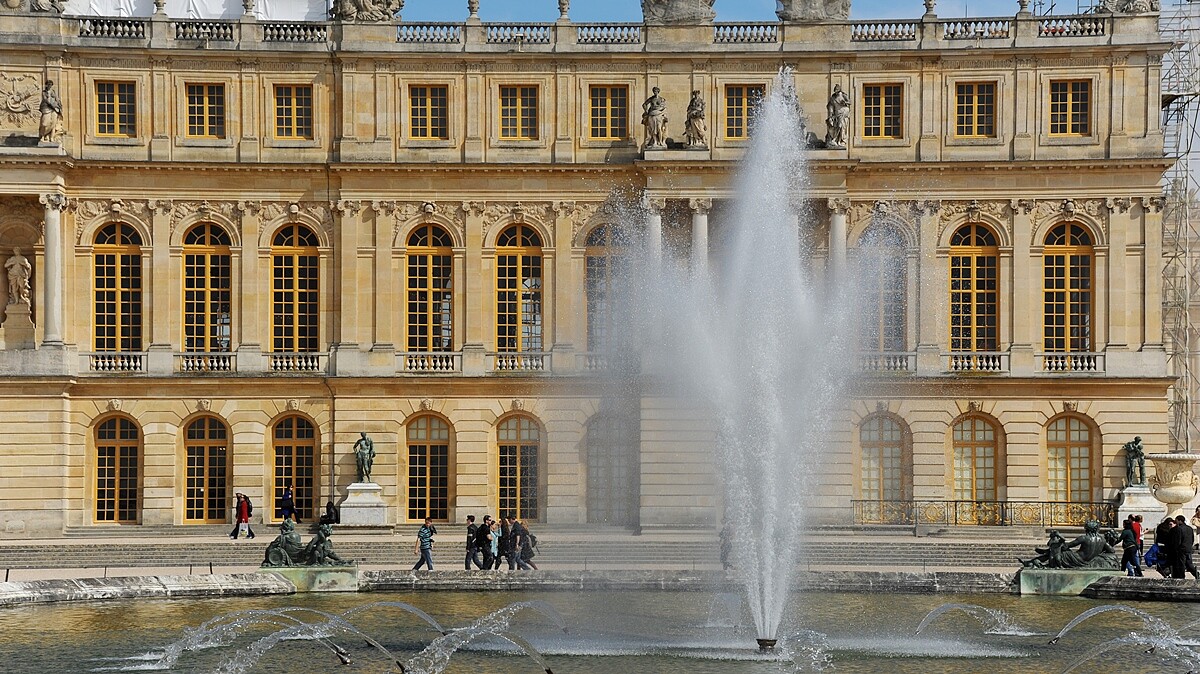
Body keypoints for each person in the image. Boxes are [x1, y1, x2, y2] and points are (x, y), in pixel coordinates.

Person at [1171, 514, 1200, 579]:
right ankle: (1196, 574)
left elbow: (1179, 540)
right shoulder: (1190, 528)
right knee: (1189, 563)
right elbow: (1192, 538)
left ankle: (1181, 577)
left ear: (1180, 521)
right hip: (1188, 548)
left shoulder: (1179, 529)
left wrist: (1176, 548)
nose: (1176, 522)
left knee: (1181, 564)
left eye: (1177, 521)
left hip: (1181, 549)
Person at [824, 83, 850, 149]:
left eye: (837, 90)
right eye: (835, 90)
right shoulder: (833, 98)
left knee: (841, 126)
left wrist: (845, 103)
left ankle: (838, 140)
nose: (836, 92)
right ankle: (835, 140)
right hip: (837, 114)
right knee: (837, 126)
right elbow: (831, 107)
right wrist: (830, 116)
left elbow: (850, 102)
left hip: (844, 112)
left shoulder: (843, 95)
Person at [38, 80, 62, 145]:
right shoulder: (44, 92)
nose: (49, 85)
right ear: (46, 85)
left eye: (51, 84)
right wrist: (52, 105)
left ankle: (51, 137)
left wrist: (59, 106)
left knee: (53, 124)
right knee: (44, 123)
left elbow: (57, 99)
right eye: (48, 84)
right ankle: (43, 136)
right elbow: (45, 100)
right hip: (46, 108)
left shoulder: (53, 92)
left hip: (54, 109)